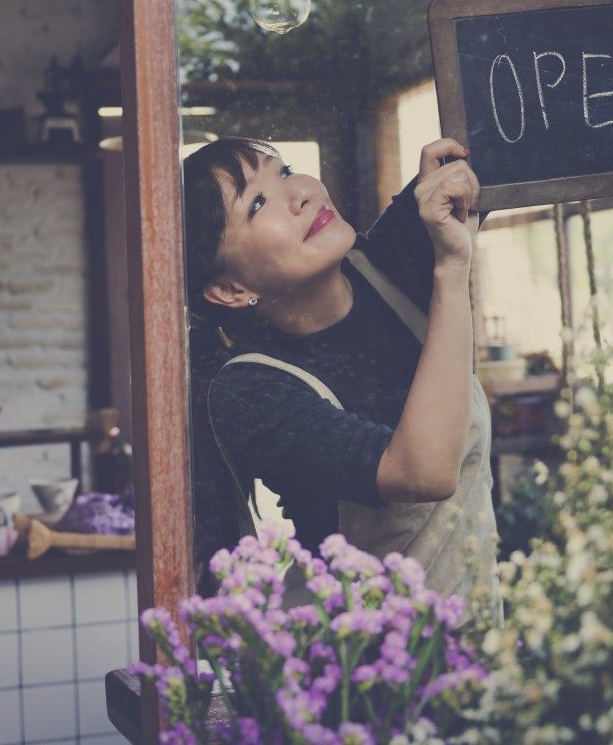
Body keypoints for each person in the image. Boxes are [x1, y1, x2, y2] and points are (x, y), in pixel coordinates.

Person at [184, 136, 501, 627]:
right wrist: (452, 271)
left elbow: (497, 151)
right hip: (359, 672)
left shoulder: (387, 261)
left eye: (285, 171)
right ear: (229, 289)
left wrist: (451, 167)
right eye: (259, 202)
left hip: (471, 642)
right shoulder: (249, 390)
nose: (303, 192)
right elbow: (424, 473)